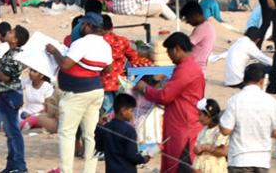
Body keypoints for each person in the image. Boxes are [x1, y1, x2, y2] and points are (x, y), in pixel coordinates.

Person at [45, 11, 113, 173]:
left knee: (67, 133)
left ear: (88, 26)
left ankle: (66, 170)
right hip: (96, 91)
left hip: (77, 93)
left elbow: (65, 65)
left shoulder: (82, 43)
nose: (80, 27)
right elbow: (108, 68)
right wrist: (92, 70)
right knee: (90, 135)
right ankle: (89, 170)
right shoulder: (105, 44)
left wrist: (54, 51)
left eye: (82, 24)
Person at [135, 32, 205, 173]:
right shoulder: (187, 67)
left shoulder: (186, 69)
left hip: (183, 126)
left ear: (177, 49)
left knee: (179, 165)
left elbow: (165, 96)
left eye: (169, 53)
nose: (169, 57)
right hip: (179, 123)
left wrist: (145, 89)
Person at [0, 24, 29, 173]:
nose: (8, 33)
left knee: (13, 132)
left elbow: (6, 76)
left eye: (11, 32)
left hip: (9, 95)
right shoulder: (12, 52)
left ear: (15, 40)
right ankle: (12, 165)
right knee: (10, 132)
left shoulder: (14, 55)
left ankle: (20, 167)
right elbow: (3, 64)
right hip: (6, 95)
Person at [219, 63, 276, 171]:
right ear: (262, 81)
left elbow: (225, 130)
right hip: (262, 160)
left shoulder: (235, 100)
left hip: (240, 158)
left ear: (244, 80)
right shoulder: (272, 102)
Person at [96, 92, 149, 173]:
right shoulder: (129, 130)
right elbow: (132, 156)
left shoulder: (106, 127)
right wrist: (143, 159)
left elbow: (99, 147)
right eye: (131, 111)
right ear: (123, 111)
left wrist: (99, 128)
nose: (132, 114)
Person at [192, 98, 229, 173]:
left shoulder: (220, 130)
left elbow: (223, 152)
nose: (199, 118)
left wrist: (205, 147)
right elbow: (197, 149)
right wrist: (197, 150)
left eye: (200, 115)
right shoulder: (203, 131)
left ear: (208, 115)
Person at [182, 0, 217, 71]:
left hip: (195, 67)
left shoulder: (202, 28)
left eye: (187, 18)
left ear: (194, 15)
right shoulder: (207, 26)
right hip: (198, 66)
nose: (187, 22)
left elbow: (186, 45)